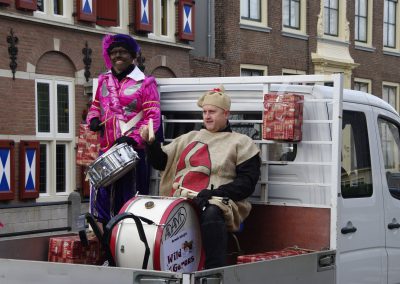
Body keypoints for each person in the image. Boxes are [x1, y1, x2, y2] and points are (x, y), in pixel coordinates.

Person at [140, 86, 261, 269]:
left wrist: (215, 193)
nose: (207, 116)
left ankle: (213, 272)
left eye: (212, 112)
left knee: (212, 211)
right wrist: (150, 143)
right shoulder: (189, 137)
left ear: (226, 113)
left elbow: (247, 184)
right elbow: (161, 163)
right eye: (204, 112)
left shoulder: (241, 142)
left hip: (220, 201)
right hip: (181, 197)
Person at [86, 33, 161, 227]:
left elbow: (152, 117)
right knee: (101, 203)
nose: (118, 56)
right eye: (114, 52)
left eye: (123, 52)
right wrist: (93, 119)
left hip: (132, 153)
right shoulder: (103, 80)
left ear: (133, 56)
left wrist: (134, 139)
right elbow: (95, 106)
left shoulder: (145, 83)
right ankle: (104, 245)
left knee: (129, 205)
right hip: (107, 151)